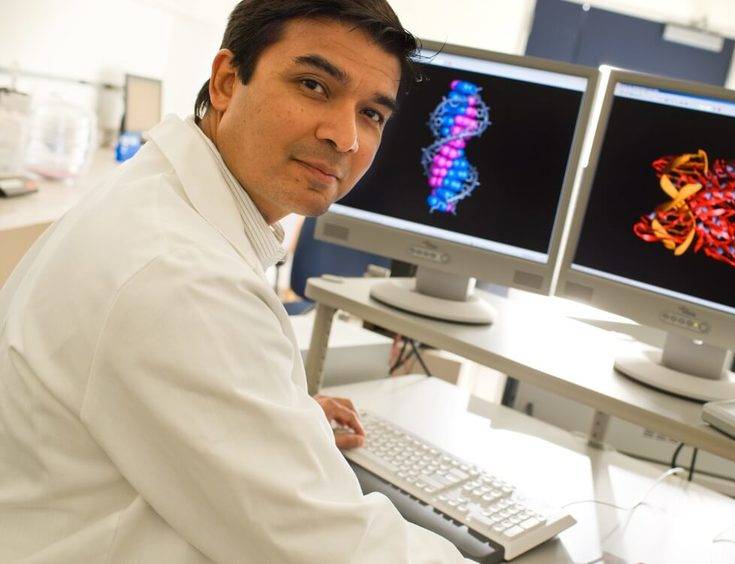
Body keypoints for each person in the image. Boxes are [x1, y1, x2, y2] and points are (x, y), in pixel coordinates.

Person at [0, 1, 470, 562]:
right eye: (314, 85)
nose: (344, 137)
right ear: (226, 81)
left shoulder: (159, 200)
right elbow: (336, 551)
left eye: (372, 114)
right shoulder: (181, 278)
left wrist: (264, 410)